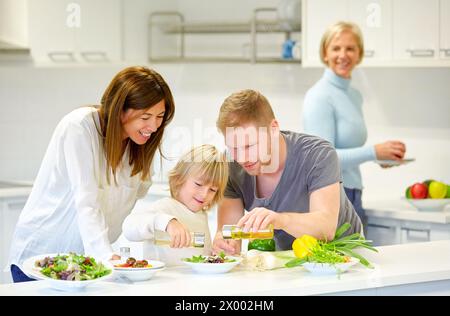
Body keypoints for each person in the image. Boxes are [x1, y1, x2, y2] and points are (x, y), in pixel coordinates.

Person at [8, 66, 175, 282]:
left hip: (87, 263)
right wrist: (106, 257)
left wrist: (165, 220)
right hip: (44, 259)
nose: (153, 126)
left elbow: (136, 200)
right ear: (120, 109)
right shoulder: (80, 127)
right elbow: (87, 202)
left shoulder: (140, 145)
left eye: (160, 116)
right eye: (145, 117)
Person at [212, 89, 362, 255]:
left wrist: (280, 219)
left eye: (249, 146)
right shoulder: (230, 166)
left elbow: (326, 228)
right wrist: (224, 243)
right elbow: (230, 233)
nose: (241, 158)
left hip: (344, 255)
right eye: (233, 147)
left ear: (274, 128)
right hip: (288, 258)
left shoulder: (317, 154)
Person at [302, 21, 406, 224]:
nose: (343, 55)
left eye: (350, 48)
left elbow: (348, 152)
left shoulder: (354, 95)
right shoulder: (319, 96)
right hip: (331, 197)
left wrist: (382, 157)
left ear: (359, 54)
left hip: (354, 194)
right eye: (336, 48)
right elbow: (323, 161)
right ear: (325, 53)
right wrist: (373, 152)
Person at [122, 144, 228, 266]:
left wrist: (215, 253)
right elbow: (128, 228)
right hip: (161, 283)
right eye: (198, 184)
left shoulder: (201, 216)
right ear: (179, 179)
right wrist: (167, 223)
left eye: (213, 190)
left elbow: (200, 257)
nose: (204, 194)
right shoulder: (165, 208)